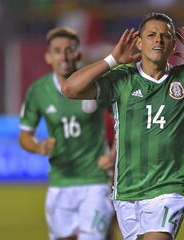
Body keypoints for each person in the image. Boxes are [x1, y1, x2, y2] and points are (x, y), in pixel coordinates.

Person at [62, 12, 184, 240]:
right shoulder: (122, 78)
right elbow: (70, 89)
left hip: (168, 188)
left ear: (173, 45)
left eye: (166, 36)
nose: (158, 40)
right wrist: (112, 60)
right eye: (151, 35)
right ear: (139, 42)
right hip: (127, 191)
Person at [19, 27, 115, 240]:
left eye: (69, 50)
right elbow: (25, 136)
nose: (63, 56)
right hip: (60, 182)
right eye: (57, 50)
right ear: (48, 56)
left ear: (78, 54)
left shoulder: (93, 83)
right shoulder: (37, 91)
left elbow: (124, 120)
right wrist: (38, 146)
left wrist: (113, 154)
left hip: (95, 180)